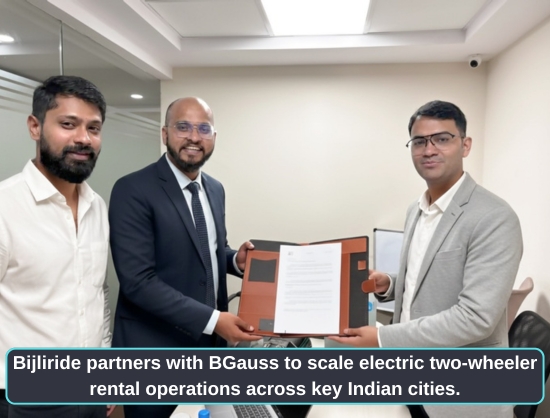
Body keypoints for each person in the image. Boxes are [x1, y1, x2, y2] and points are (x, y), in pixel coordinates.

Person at [330, 100, 522, 418]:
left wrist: (381, 338)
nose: (429, 150)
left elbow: (475, 318)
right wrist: (389, 284)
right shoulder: (416, 209)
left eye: (442, 139)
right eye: (419, 141)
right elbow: (427, 278)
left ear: (465, 145)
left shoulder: (495, 217)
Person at [109, 97, 261, 418]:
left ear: (214, 137)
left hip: (210, 347)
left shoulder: (215, 189)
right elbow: (138, 282)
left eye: (203, 129)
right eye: (183, 127)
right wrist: (215, 320)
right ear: (165, 133)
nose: (194, 137)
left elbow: (208, 250)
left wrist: (234, 261)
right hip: (154, 352)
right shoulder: (132, 189)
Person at [0, 75, 113, 417]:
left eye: (93, 128)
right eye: (68, 124)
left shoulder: (97, 206)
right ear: (35, 127)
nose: (83, 138)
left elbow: (97, 294)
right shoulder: (5, 206)